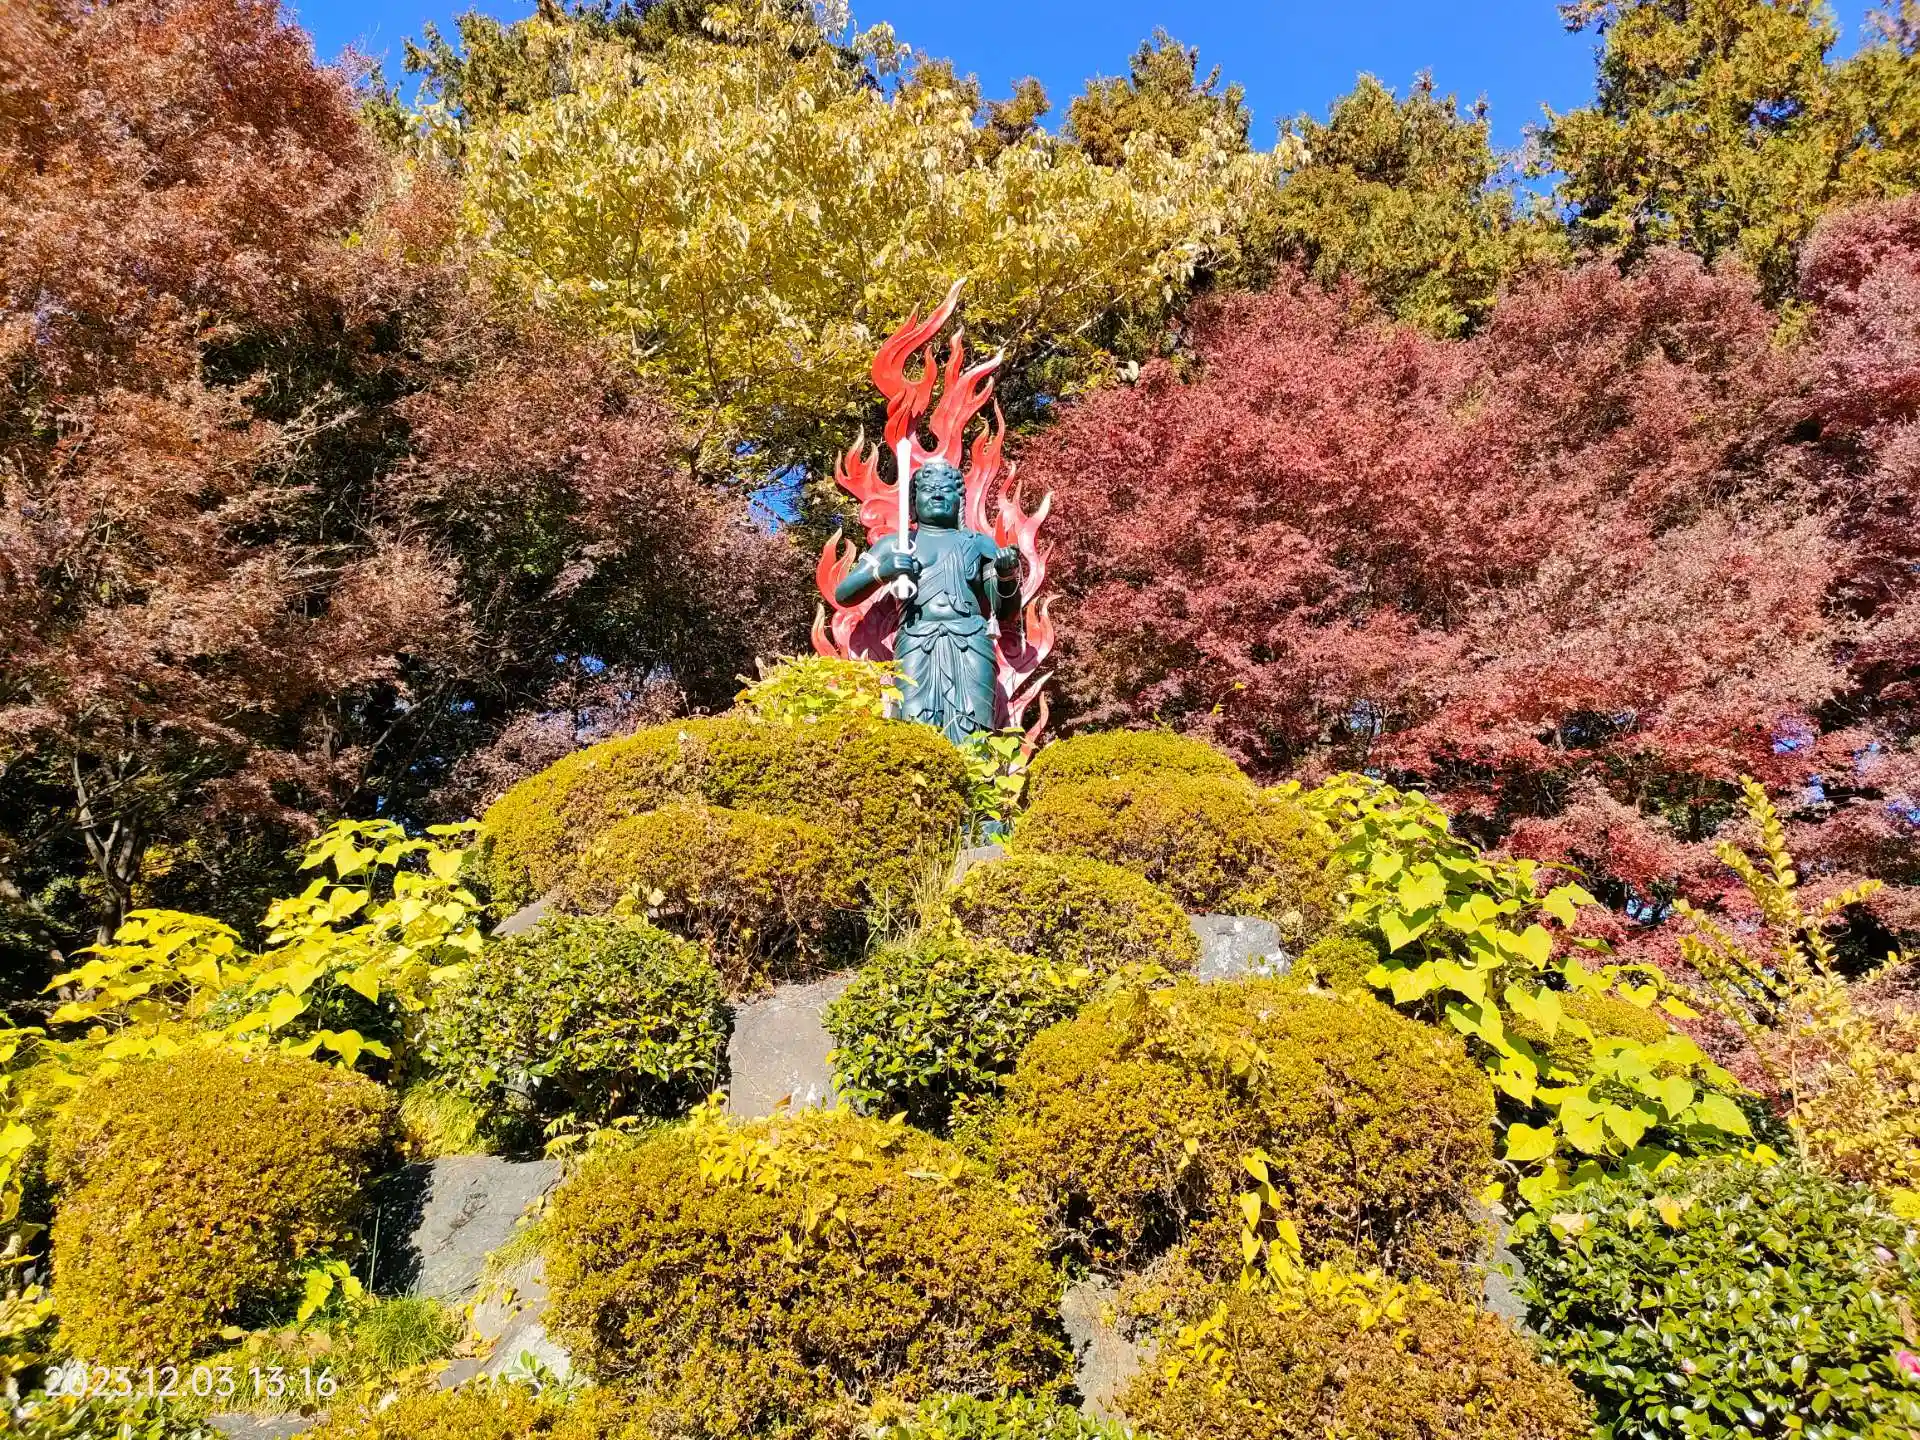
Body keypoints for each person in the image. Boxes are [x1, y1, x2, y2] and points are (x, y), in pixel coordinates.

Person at [833, 459, 1021, 742]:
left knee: (974, 728)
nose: (937, 495)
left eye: (946, 490)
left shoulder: (978, 543)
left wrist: (1006, 576)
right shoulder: (896, 544)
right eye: (929, 489)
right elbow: (844, 594)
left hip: (970, 641)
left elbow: (1006, 613)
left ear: (960, 499)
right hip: (916, 640)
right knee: (914, 725)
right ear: (914, 500)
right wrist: (882, 572)